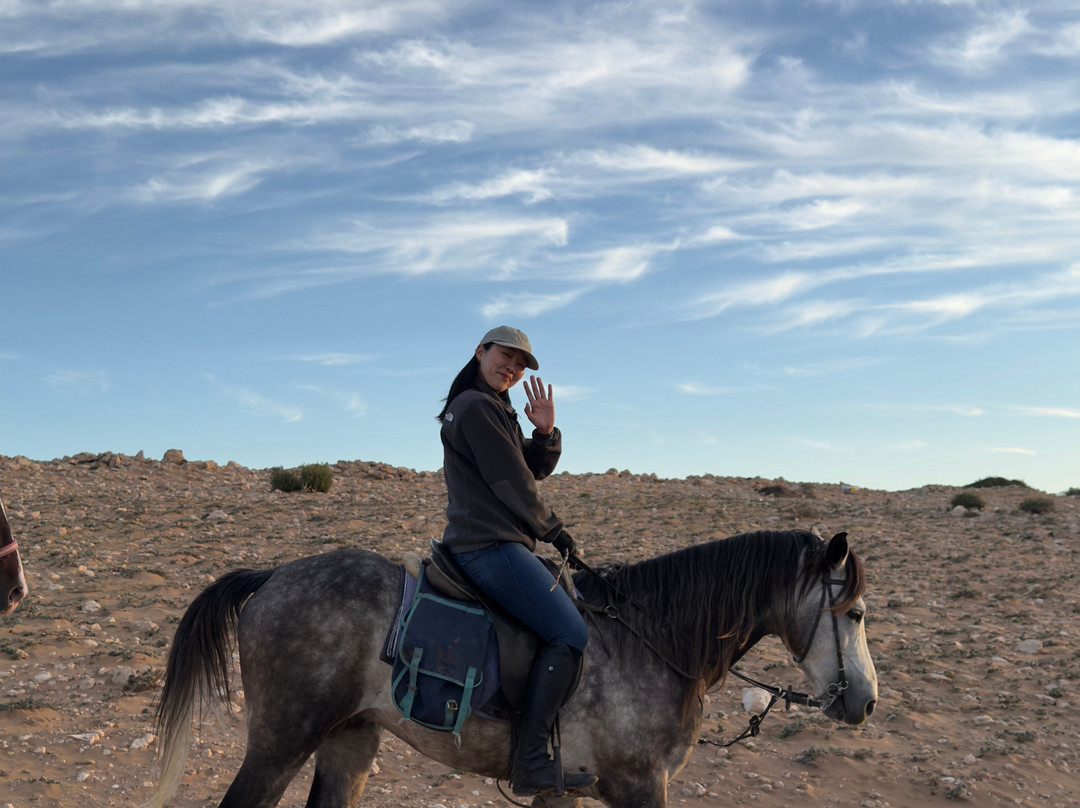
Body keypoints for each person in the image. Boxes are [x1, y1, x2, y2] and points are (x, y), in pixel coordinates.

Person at [437, 325, 596, 797]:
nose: (513, 368)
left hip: (491, 540)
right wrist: (556, 533)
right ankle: (530, 762)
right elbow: (513, 483)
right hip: (489, 544)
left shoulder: (492, 408)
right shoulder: (475, 406)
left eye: (521, 365)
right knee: (570, 633)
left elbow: (529, 469)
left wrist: (544, 433)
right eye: (505, 357)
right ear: (480, 351)